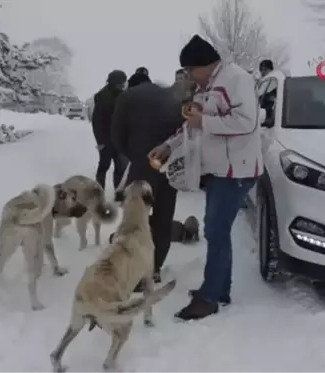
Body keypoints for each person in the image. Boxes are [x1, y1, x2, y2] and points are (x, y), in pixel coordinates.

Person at [149, 34, 262, 321]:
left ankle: (210, 297)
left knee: (215, 231)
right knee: (217, 231)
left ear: (202, 64)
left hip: (236, 170)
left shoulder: (236, 79)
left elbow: (247, 122)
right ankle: (219, 290)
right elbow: (192, 128)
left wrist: (205, 121)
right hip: (218, 170)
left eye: (189, 70)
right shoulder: (208, 86)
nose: (188, 77)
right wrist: (167, 146)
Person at [111, 69, 185, 290]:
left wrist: (133, 155)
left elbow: (116, 134)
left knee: (135, 222)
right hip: (169, 165)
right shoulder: (169, 96)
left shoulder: (127, 97)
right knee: (163, 219)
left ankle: (133, 272)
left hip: (142, 165)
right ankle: (154, 270)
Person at [91, 70, 128, 190]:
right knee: (104, 166)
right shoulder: (102, 97)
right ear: (115, 82)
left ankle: (118, 192)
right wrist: (100, 142)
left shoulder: (122, 95)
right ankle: (99, 192)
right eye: (121, 82)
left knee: (120, 167)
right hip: (106, 140)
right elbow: (97, 122)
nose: (123, 85)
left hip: (119, 140)